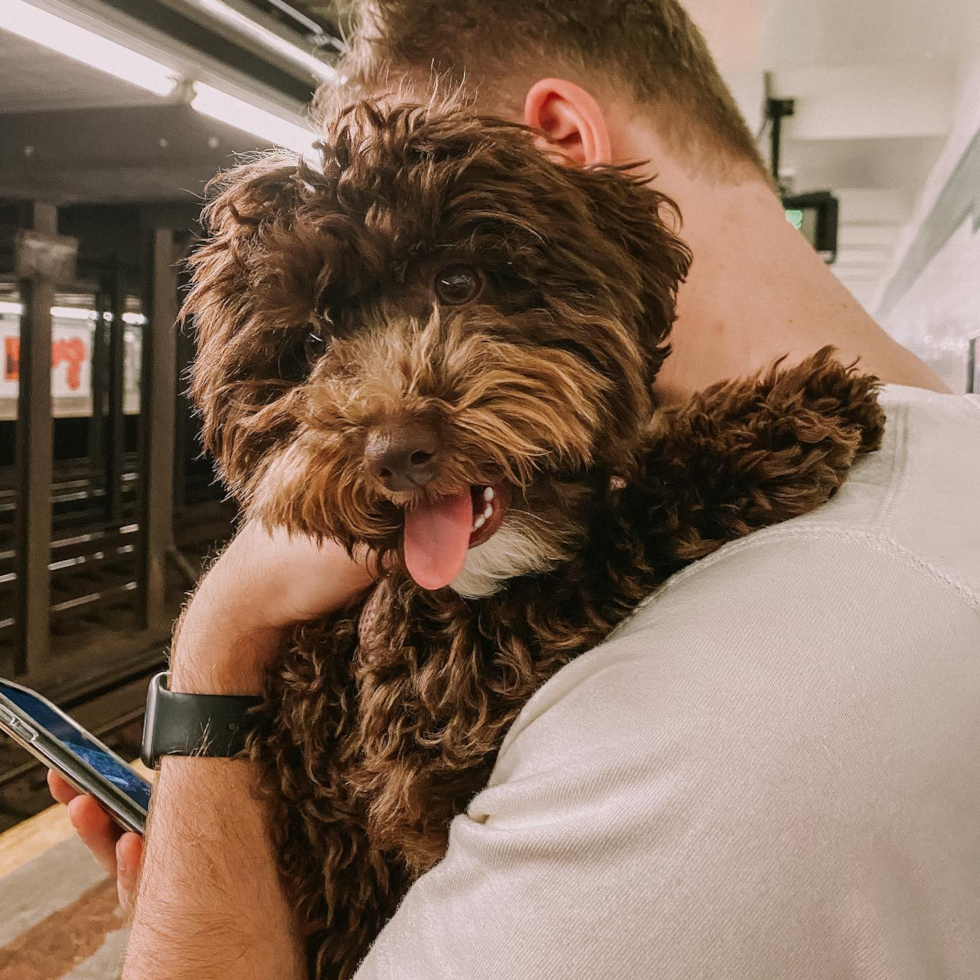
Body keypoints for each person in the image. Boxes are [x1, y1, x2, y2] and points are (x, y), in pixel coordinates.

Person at [49, 2, 980, 978]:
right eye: (318, 343)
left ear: (560, 149)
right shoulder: (930, 483)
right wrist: (221, 876)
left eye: (453, 284)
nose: (391, 429)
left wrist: (218, 651)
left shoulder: (720, 706)